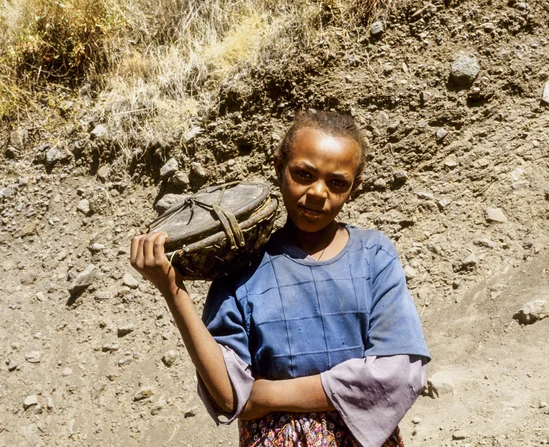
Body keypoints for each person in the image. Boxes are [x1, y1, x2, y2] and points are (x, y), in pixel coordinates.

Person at [130, 110, 430, 447]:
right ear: (278, 167)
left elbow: (399, 373)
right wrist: (173, 290)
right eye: (304, 174)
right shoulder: (242, 269)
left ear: (354, 187)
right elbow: (230, 397)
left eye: (337, 182)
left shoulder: (373, 255)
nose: (318, 192)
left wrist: (268, 395)